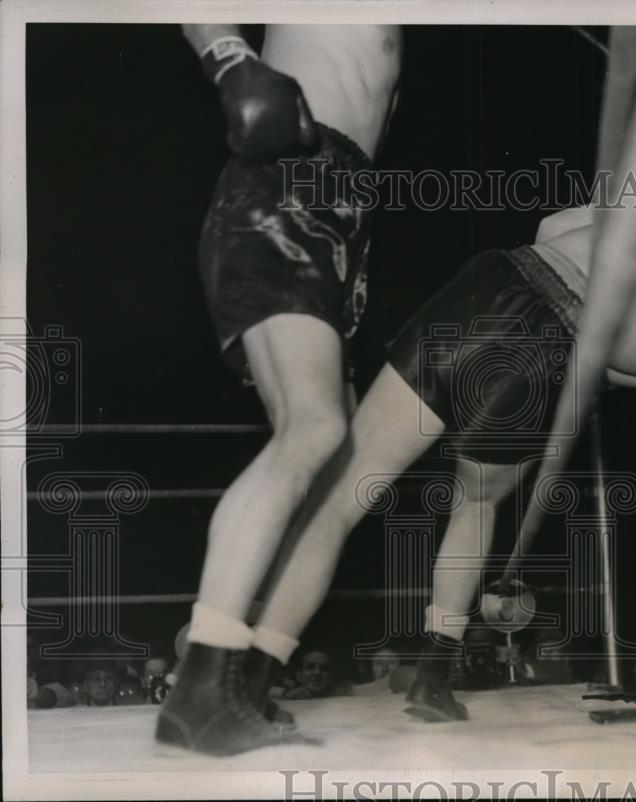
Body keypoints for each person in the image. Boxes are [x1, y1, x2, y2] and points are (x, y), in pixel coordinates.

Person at [235, 201, 636, 727]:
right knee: (476, 503)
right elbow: (593, 372)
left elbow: (552, 230)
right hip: (548, 340)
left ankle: (249, 679)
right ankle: (432, 679)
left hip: (495, 279)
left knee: (341, 495)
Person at [156, 23, 401, 756]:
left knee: (334, 488)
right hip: (292, 180)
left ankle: (248, 680)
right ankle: (201, 684)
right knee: (313, 428)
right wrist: (228, 57)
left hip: (343, 210)